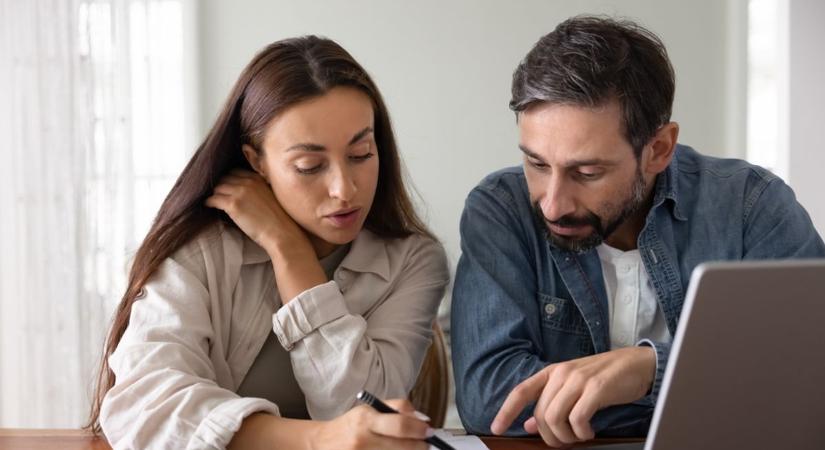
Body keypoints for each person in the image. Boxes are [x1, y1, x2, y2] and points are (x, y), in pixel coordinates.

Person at [450, 15, 825, 448]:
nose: (553, 203)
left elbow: (808, 374)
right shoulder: (501, 209)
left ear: (658, 149)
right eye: (536, 164)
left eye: (587, 172)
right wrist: (703, 387)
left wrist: (648, 370)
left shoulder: (752, 206)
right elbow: (491, 398)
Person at [87, 36, 449, 450]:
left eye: (361, 154)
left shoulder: (413, 261)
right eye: (309, 166)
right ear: (257, 161)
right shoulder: (201, 252)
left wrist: (289, 251)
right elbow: (143, 405)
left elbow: (366, 406)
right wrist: (318, 441)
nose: (344, 189)